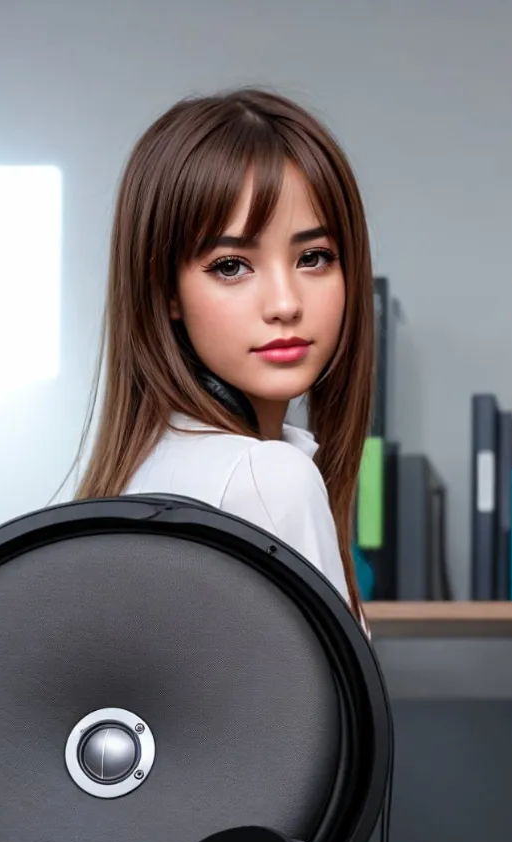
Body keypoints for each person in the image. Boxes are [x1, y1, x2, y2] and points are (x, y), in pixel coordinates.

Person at [72, 88, 373, 621]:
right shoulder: (267, 479)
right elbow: (326, 708)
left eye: (314, 257)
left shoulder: (136, 476)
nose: (284, 304)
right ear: (165, 289)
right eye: (231, 265)